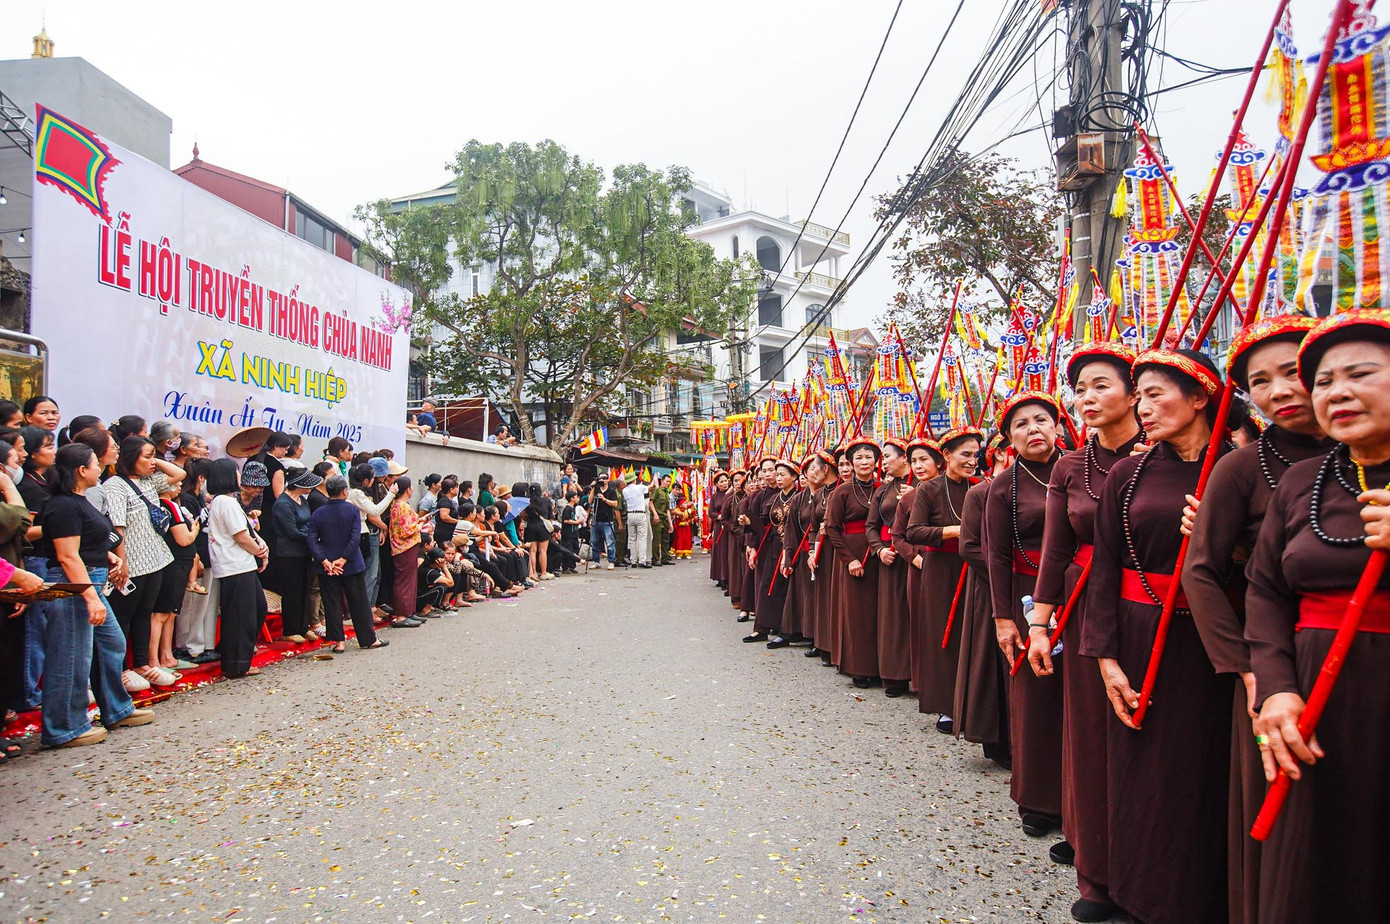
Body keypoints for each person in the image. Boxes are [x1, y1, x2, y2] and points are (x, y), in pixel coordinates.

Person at [1239, 311, 1390, 923]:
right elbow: (1266, 591)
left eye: (1361, 373)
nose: (1338, 392)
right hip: (1312, 700)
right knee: (1315, 871)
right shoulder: (1303, 481)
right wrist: (1274, 689)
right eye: (1324, 380)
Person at [1177, 316, 1327, 924]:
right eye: (1258, 381)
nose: (1279, 390)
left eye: (1292, 371)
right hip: (1274, 667)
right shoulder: (1240, 468)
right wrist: (1244, 668)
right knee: (1286, 819)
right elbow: (1204, 569)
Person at [1082, 349, 1233, 924]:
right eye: (1138, 394)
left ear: (1200, 396)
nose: (1142, 407)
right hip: (1138, 634)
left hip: (1209, 640)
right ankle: (1134, 891)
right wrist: (1105, 655)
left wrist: (1227, 540)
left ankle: (1199, 897)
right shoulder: (1130, 472)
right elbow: (1105, 568)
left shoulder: (1239, 467)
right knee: (1138, 772)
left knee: (1199, 769)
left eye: (1155, 394)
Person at [1023, 343, 1141, 922]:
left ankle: (1149, 870)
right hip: (1081, 602)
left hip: (1152, 609)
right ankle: (1095, 869)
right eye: (1081, 389)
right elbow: (1054, 549)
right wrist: (1039, 622)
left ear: (1135, 390)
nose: (1086, 398)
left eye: (1100, 385)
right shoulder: (1072, 466)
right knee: (1089, 736)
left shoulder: (1171, 455)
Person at [986, 393, 1066, 847]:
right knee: (1035, 695)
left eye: (1041, 420)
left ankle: (1078, 798)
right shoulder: (1003, 486)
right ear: (1009, 437)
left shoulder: (1081, 468)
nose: (1033, 429)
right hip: (1027, 594)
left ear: (1058, 425)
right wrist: (1003, 618)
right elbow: (995, 556)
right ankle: (1038, 799)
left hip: (1078, 591)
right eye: (1021, 424)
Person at [42, 443, 152, 747]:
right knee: (71, 656)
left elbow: (84, 543)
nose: (99, 468)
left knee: (111, 643)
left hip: (90, 577)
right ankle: (64, 727)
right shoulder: (63, 505)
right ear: (81, 470)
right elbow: (67, 556)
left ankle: (116, 708)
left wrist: (107, 556)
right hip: (73, 584)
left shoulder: (80, 501)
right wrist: (90, 596)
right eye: (94, 464)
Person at [908, 429, 981, 731]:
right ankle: (946, 704)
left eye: (976, 454)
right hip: (941, 569)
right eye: (965, 454)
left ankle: (974, 703)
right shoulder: (929, 489)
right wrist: (953, 531)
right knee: (943, 635)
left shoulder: (980, 486)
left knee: (974, 634)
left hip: (974, 566)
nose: (972, 461)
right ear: (947, 456)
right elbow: (913, 532)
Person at [105, 437, 180, 689]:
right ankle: (122, 669)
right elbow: (117, 527)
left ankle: (142, 664)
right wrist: (122, 562)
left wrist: (153, 459)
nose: (152, 462)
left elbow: (179, 473)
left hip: (156, 558)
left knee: (144, 614)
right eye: (145, 456)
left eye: (152, 456)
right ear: (129, 457)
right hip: (132, 561)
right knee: (125, 615)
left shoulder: (149, 480)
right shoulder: (115, 485)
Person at [956, 434, 1012, 766]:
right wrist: (1003, 573)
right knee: (994, 662)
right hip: (991, 584)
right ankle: (998, 738)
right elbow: (969, 546)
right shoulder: (979, 493)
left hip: (1036, 587)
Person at [204, 458, 269, 678]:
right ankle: (236, 663)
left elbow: (248, 531)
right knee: (241, 615)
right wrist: (258, 551)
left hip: (240, 564)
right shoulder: (225, 502)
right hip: (234, 565)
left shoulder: (227, 501)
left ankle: (237, 657)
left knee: (256, 608)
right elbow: (240, 536)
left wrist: (260, 545)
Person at [826, 437, 882, 686]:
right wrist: (849, 560)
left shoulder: (883, 489)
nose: (864, 462)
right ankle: (859, 667)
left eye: (868, 456)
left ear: (875, 460)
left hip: (878, 555)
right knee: (857, 613)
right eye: (858, 457)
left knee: (878, 612)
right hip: (853, 556)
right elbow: (831, 529)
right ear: (850, 463)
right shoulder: (842, 491)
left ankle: (882, 665)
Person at [308, 475, 385, 652]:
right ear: (344, 491)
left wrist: (325, 560)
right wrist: (343, 559)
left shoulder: (318, 512)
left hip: (327, 565)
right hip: (350, 562)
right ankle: (368, 638)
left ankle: (338, 641)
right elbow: (355, 536)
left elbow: (312, 540)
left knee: (331, 602)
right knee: (359, 601)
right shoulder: (351, 510)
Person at [866, 439, 914, 694]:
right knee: (893, 617)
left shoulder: (923, 485)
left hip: (917, 557)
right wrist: (879, 549)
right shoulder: (882, 491)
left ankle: (921, 677)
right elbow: (871, 526)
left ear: (905, 458)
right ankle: (895, 674)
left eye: (887, 456)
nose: (882, 461)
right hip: (890, 559)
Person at [149, 475, 199, 673]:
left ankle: (167, 656)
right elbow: (184, 539)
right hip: (174, 562)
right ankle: (154, 660)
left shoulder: (169, 505)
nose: (179, 485)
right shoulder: (168, 507)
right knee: (161, 614)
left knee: (170, 613)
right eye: (174, 482)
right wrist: (194, 530)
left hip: (179, 562)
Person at [271, 467, 320, 643]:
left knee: (304, 590)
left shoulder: (302, 500)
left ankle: (303, 626)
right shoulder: (283, 504)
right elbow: (291, 531)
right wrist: (314, 538)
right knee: (292, 592)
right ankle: (290, 628)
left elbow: (309, 522)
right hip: (288, 554)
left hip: (304, 552)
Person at [749, 458, 794, 647]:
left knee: (787, 590)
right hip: (773, 546)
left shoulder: (797, 497)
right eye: (777, 473)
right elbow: (763, 523)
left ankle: (786, 630)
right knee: (767, 587)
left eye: (780, 474)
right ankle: (762, 628)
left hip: (791, 547)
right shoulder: (774, 498)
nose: (774, 476)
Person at [387, 476, 425, 622]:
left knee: (409, 580)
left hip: (406, 547)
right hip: (404, 547)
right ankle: (402, 615)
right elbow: (406, 530)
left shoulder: (399, 504)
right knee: (405, 581)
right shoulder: (402, 506)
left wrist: (419, 521)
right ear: (408, 490)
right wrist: (420, 526)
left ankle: (408, 611)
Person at [523, 483, 555, 580]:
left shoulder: (527, 502)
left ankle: (533, 573)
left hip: (531, 527)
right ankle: (544, 573)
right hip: (542, 527)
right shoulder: (546, 501)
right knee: (543, 551)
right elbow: (550, 517)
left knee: (532, 551)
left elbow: (525, 516)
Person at [622, 473, 650, 568]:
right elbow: (648, 491)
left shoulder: (624, 491)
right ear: (634, 480)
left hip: (630, 514)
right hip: (640, 514)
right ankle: (642, 560)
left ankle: (633, 560)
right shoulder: (640, 487)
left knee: (632, 538)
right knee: (642, 538)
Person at [672, 487, 695, 559]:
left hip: (687, 528)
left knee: (687, 540)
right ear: (680, 504)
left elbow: (690, 518)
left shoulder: (687, 510)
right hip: (680, 529)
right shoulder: (677, 511)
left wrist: (688, 521)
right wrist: (682, 523)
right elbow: (677, 520)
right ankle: (679, 553)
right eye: (684, 503)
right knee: (680, 540)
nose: (686, 504)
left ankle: (687, 553)